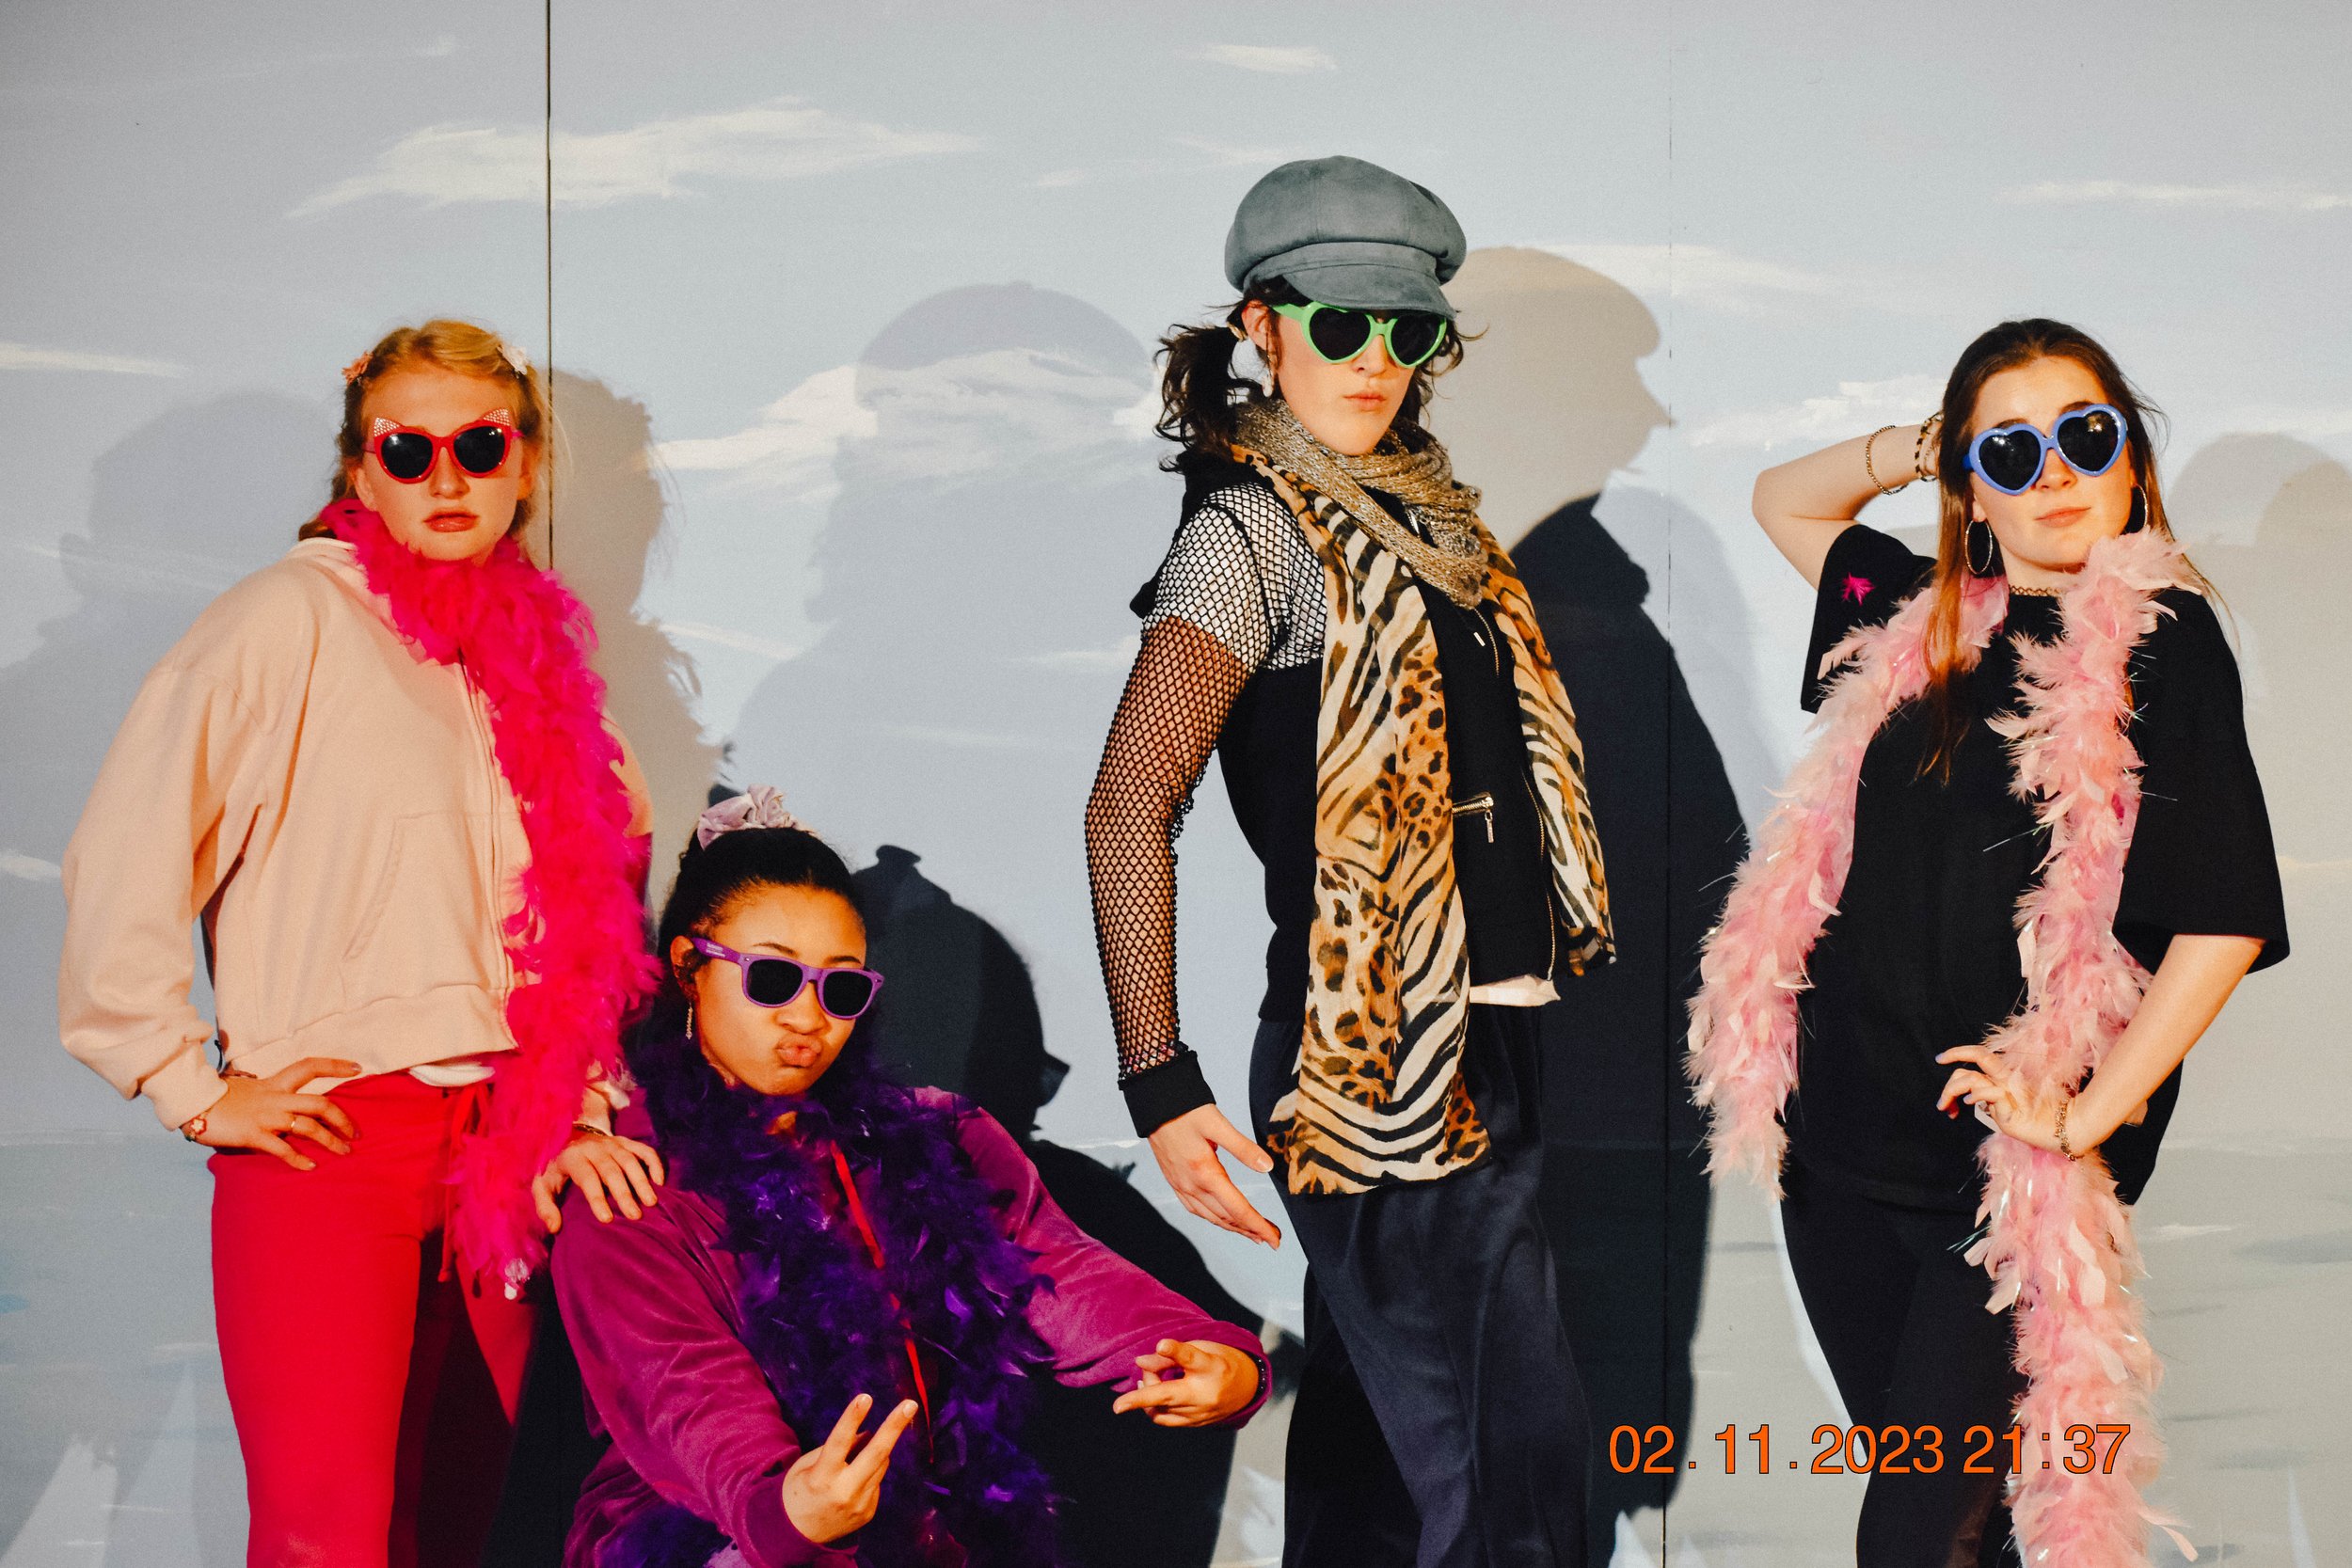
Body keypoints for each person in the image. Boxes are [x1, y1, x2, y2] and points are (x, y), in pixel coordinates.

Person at [57, 319, 664, 1567]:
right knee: (324, 1530)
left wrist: (588, 1100)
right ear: (360, 468)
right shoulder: (284, 620)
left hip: (508, 1140)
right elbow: (124, 847)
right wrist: (185, 1080)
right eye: (409, 448)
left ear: (524, 462)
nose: (446, 479)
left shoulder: (533, 650)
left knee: (471, 1522)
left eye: (479, 445)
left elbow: (600, 885)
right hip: (333, 1135)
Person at [1688, 318, 2288, 1565]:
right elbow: (1780, 498)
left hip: (2005, 1183)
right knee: (1961, 1534)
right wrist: (1928, 448)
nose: (2054, 471)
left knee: (1910, 1541)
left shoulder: (2168, 646)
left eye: (2084, 435)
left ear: (2130, 459)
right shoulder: (1921, 615)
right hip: (1842, 1158)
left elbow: (2222, 919)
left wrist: (2086, 1113)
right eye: (2011, 452)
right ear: (1970, 484)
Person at [1086, 156, 1614, 1567]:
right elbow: (1131, 803)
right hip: (1368, 1058)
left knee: (1379, 1478)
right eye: (1337, 324)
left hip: (1493, 1035)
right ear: (1261, 325)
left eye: (1408, 331)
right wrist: (1160, 1077)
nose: (1373, 362)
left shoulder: (1441, 527)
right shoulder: (1250, 529)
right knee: (1512, 1495)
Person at [552, 789, 1269, 1567]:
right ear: (691, 967)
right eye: (770, 978)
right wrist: (786, 1502)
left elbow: (1062, 1270)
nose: (806, 1017)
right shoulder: (632, 1184)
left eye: (841, 986)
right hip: (719, 1539)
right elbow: (683, 1387)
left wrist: (1213, 1357)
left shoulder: (942, 1137)